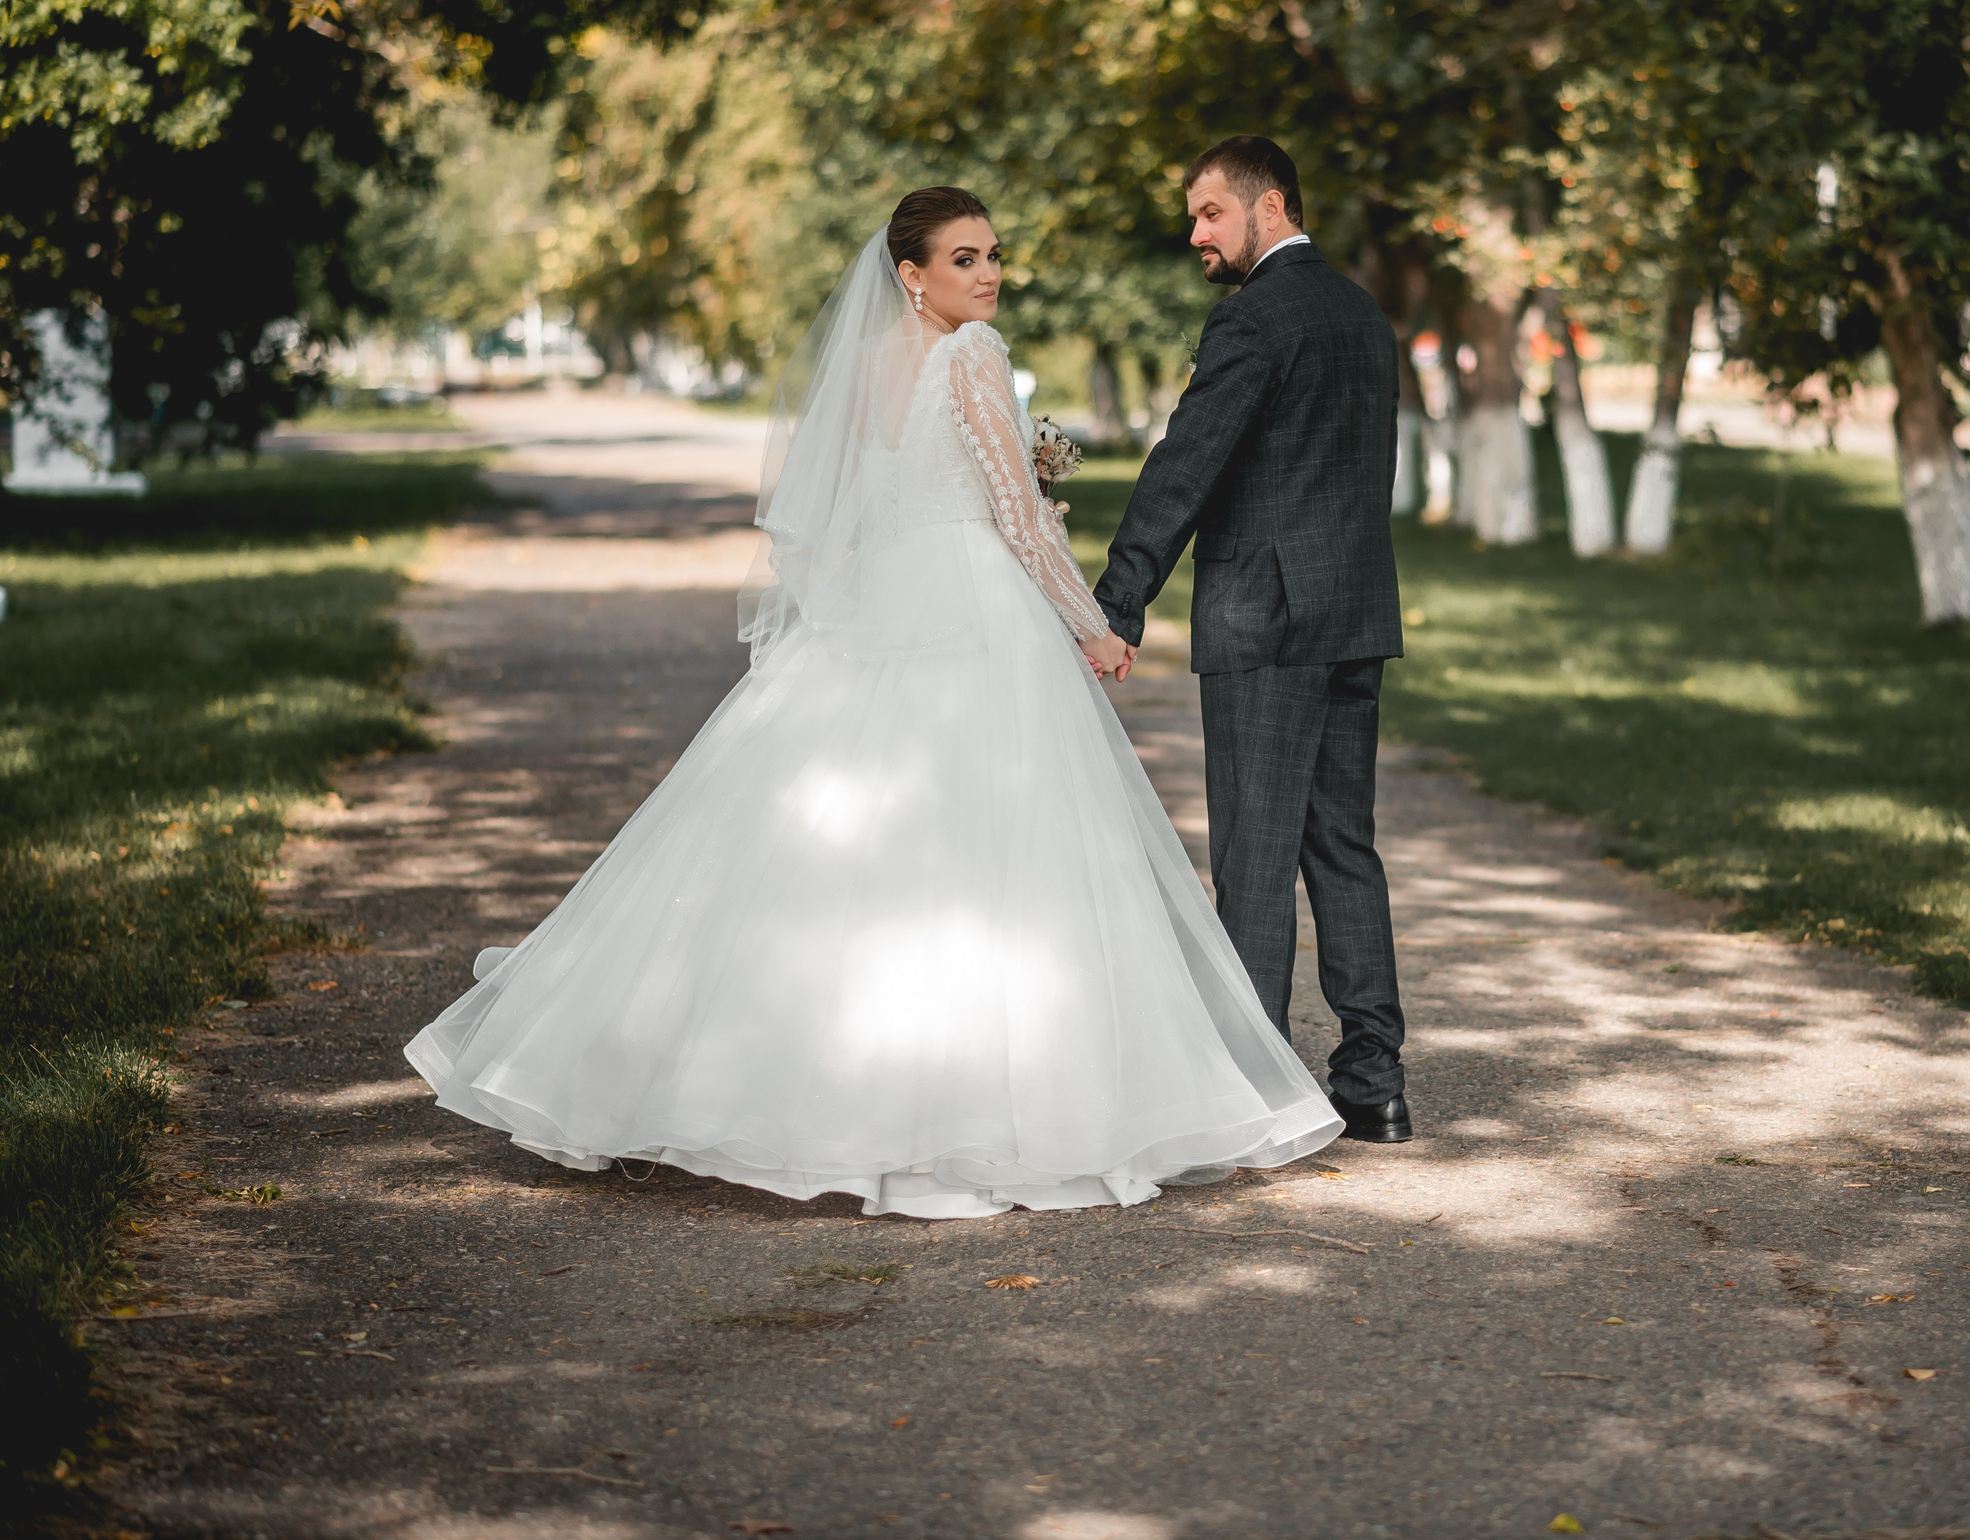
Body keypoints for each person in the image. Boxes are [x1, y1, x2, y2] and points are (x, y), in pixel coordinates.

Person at [405, 187, 1343, 1217]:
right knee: (993, 845)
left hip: (881, 604)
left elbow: (847, 513)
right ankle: (980, 1108)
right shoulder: (975, 356)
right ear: (911, 274)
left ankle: (767, 1088)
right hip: (974, 608)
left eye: (992, 256)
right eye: (962, 260)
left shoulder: (861, 366)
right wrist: (1094, 620)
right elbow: (1018, 522)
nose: (986, 276)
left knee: (818, 840)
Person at [1093, 137, 1413, 1144]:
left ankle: (1256, 1086)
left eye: (1208, 213)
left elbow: (1185, 468)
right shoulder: (1362, 314)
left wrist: (1117, 602)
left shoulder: (1251, 320)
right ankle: (1374, 1077)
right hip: (1353, 615)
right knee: (1342, 846)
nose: (1194, 234)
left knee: (1255, 856)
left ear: (1269, 204)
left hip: (1266, 623)